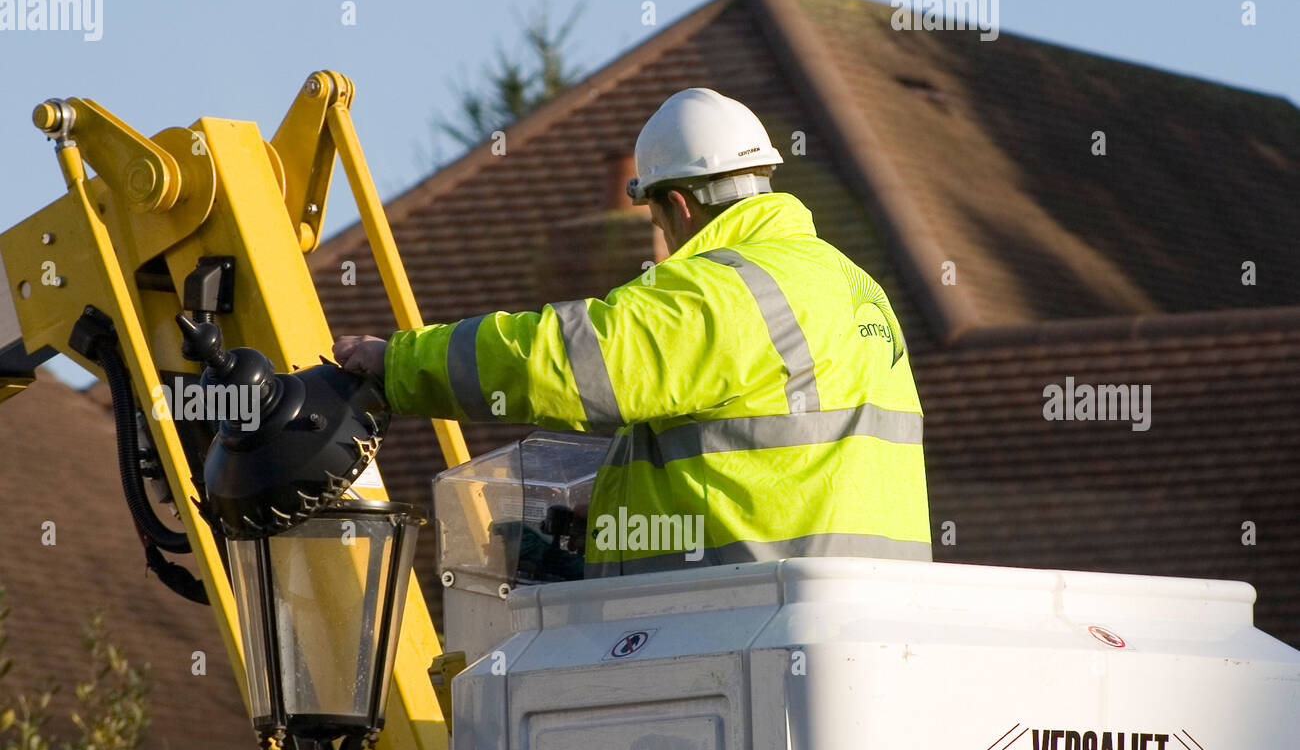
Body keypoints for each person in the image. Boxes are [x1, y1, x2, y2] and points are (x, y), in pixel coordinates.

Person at [334, 87, 931, 575]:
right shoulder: (852, 284)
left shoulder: (720, 289)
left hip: (744, 621)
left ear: (679, 205)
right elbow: (779, 463)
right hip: (868, 623)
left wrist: (399, 364)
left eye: (655, 215)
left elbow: (558, 362)